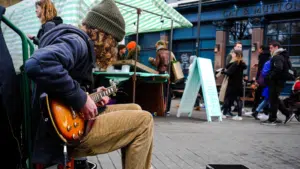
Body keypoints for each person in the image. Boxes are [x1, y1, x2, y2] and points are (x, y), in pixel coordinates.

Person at [24, 1, 154, 169]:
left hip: (62, 121)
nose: (113, 48)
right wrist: (80, 98)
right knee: (144, 122)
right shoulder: (77, 42)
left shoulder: (74, 39)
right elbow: (37, 64)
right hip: (59, 132)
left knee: (136, 109)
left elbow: (65, 82)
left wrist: (90, 94)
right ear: (104, 35)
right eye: (113, 42)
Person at [262, 41, 292, 125]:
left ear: (276, 47)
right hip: (279, 81)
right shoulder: (283, 56)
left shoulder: (277, 56)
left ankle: (272, 119)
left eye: (271, 48)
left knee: (273, 100)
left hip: (276, 82)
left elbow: (278, 68)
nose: (270, 49)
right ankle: (287, 113)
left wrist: (270, 76)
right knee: (275, 99)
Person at [221, 50, 247, 120]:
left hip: (232, 85)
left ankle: (223, 114)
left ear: (236, 55)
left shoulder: (235, 63)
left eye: (233, 53)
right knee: (238, 99)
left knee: (227, 98)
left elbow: (229, 73)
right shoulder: (241, 63)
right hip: (239, 85)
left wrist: (223, 71)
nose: (232, 54)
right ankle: (239, 115)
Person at [247, 45, 271, 116]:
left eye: (259, 49)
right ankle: (265, 111)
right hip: (267, 79)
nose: (258, 51)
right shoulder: (269, 56)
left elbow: (261, 69)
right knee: (265, 96)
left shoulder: (261, 56)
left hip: (261, 79)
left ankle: (255, 110)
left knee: (257, 94)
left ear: (261, 49)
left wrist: (257, 79)